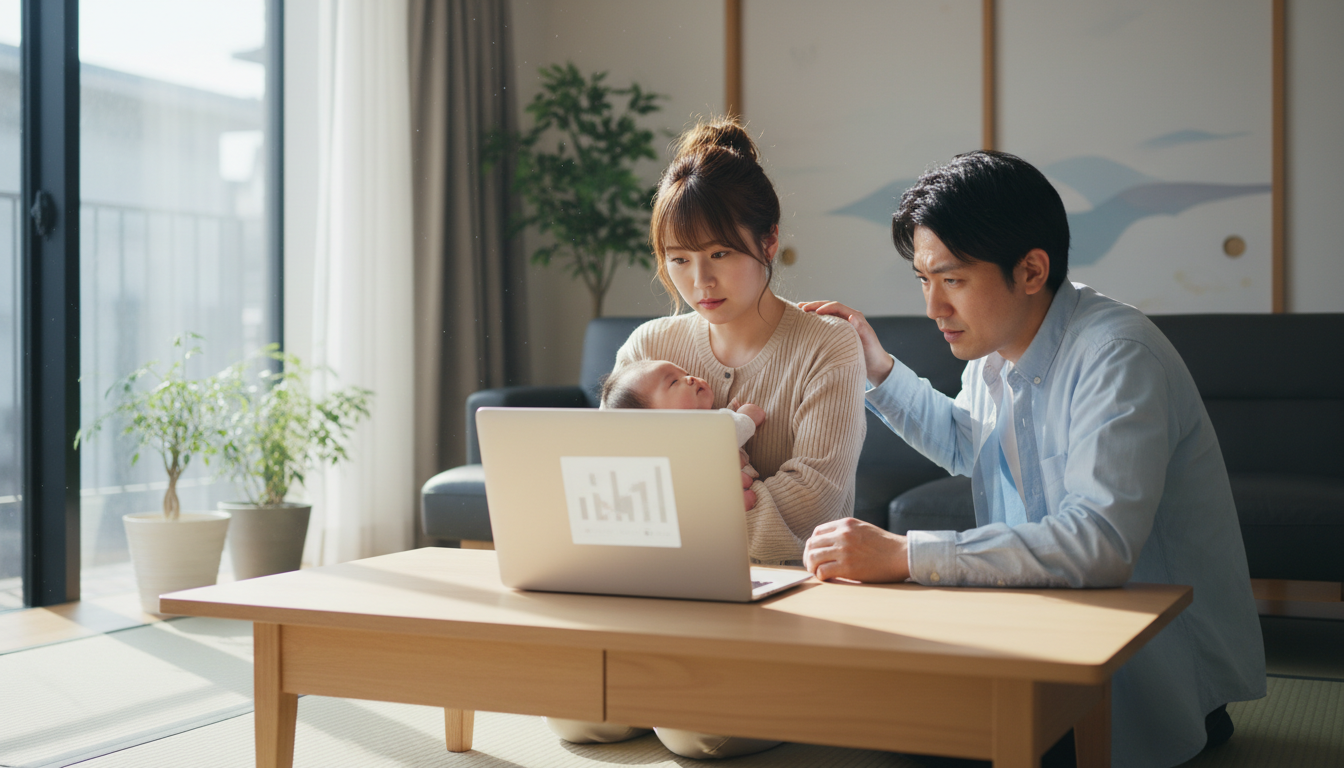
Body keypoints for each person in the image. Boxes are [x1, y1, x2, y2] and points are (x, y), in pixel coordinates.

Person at [800, 150, 1265, 768]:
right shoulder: (995, 353)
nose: (933, 307)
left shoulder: (1117, 356)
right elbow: (968, 443)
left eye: (953, 280)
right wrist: (876, 367)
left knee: (920, 745)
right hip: (1051, 641)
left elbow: (1097, 542)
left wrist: (905, 554)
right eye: (923, 279)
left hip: (1155, 685)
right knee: (888, 717)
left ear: (1031, 270)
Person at [547, 117, 867, 760]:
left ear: (768, 241)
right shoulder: (650, 346)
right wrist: (709, 505)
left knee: (698, 731)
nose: (700, 282)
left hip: (782, 596)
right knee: (576, 719)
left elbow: (815, 506)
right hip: (661, 598)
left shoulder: (827, 347)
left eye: (720, 254)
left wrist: (679, 510)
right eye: (679, 260)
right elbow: (615, 498)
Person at [599, 359, 766, 448]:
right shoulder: (681, 437)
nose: (690, 378)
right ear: (648, 421)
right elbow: (726, 435)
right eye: (673, 382)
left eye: (686, 374)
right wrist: (746, 415)